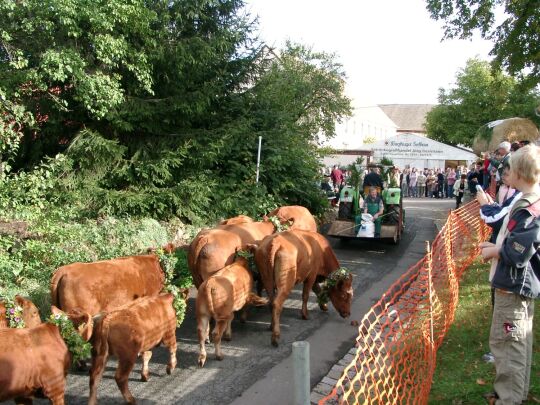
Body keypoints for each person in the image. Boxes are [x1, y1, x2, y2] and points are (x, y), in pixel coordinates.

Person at [479, 145, 540, 405]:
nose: (506, 172)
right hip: (517, 286)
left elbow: (518, 252)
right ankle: (514, 394)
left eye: (510, 167)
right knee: (517, 343)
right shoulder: (528, 199)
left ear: (520, 172)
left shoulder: (527, 206)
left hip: (513, 287)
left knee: (508, 345)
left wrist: (494, 250)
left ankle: (508, 399)